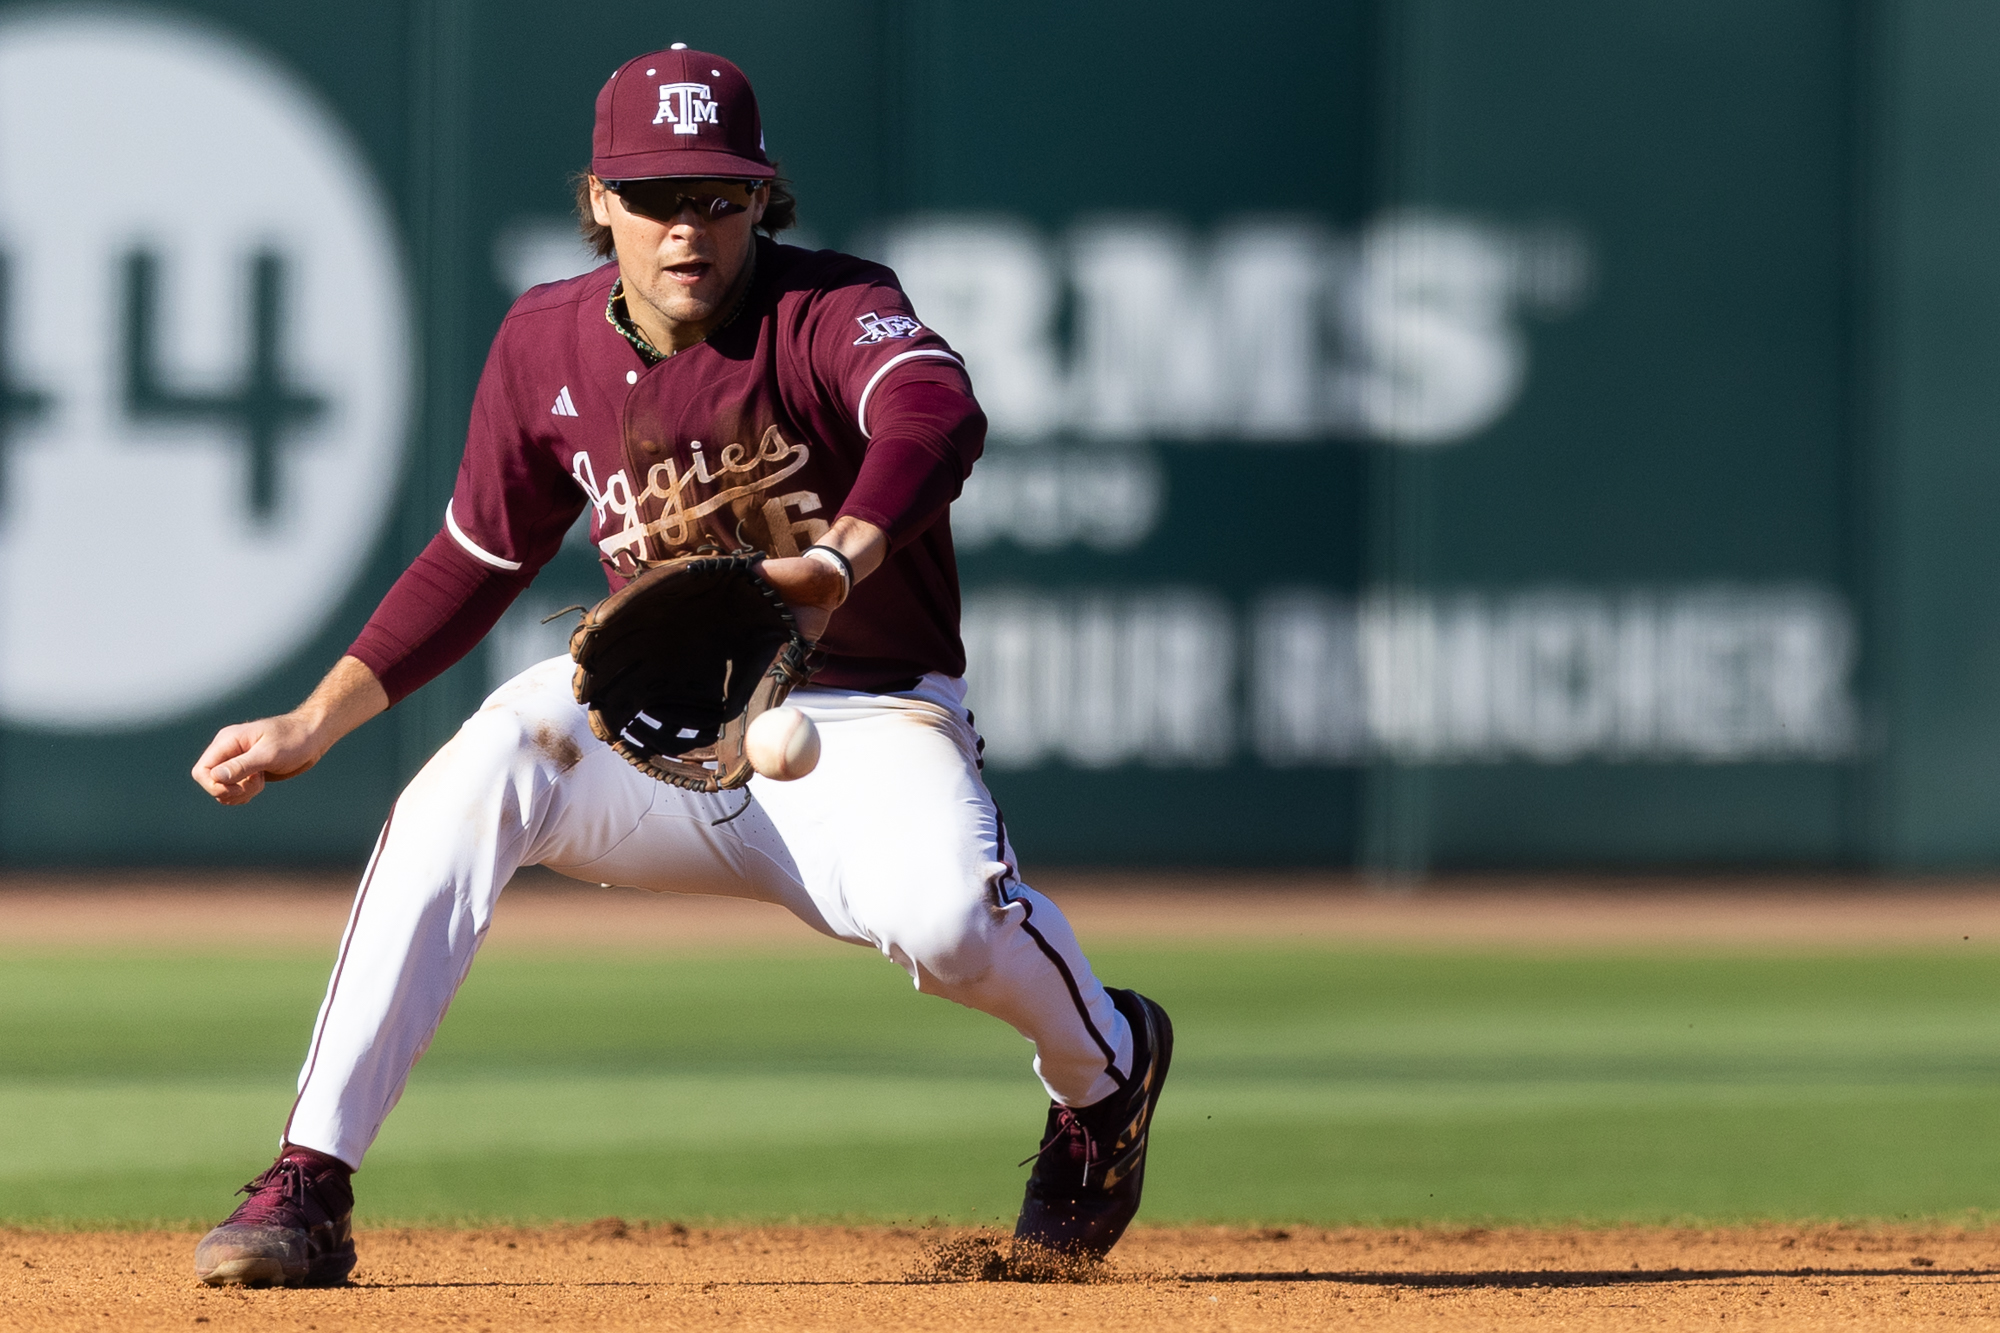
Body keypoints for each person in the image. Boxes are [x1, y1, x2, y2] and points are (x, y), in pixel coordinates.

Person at [186, 45, 1171, 1288]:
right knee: (486, 761)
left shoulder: (826, 308)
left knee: (951, 923)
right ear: (598, 199)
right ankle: (310, 1178)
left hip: (860, 719)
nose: (685, 230)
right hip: (658, 732)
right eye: (653, 198)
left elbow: (935, 409)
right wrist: (314, 721)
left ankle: (1106, 1070)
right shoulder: (543, 341)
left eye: (716, 197)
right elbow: (476, 556)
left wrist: (842, 559)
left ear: (763, 199)